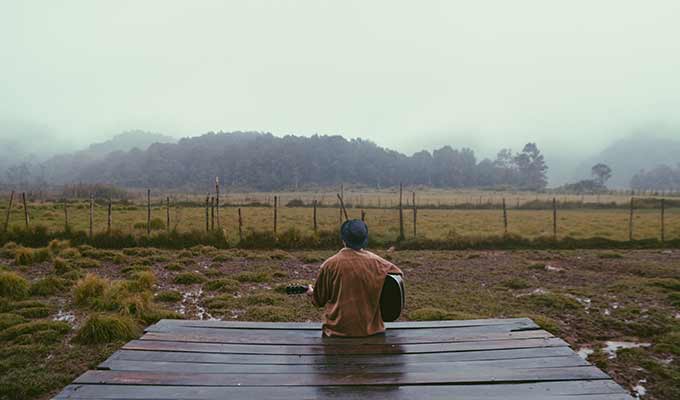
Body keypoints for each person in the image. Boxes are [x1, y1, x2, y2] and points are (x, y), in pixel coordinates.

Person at [307, 219, 403, 337]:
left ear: (343, 240)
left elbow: (318, 301)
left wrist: (311, 292)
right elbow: (397, 275)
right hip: (373, 332)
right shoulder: (379, 263)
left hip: (336, 333)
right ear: (365, 240)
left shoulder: (329, 265)